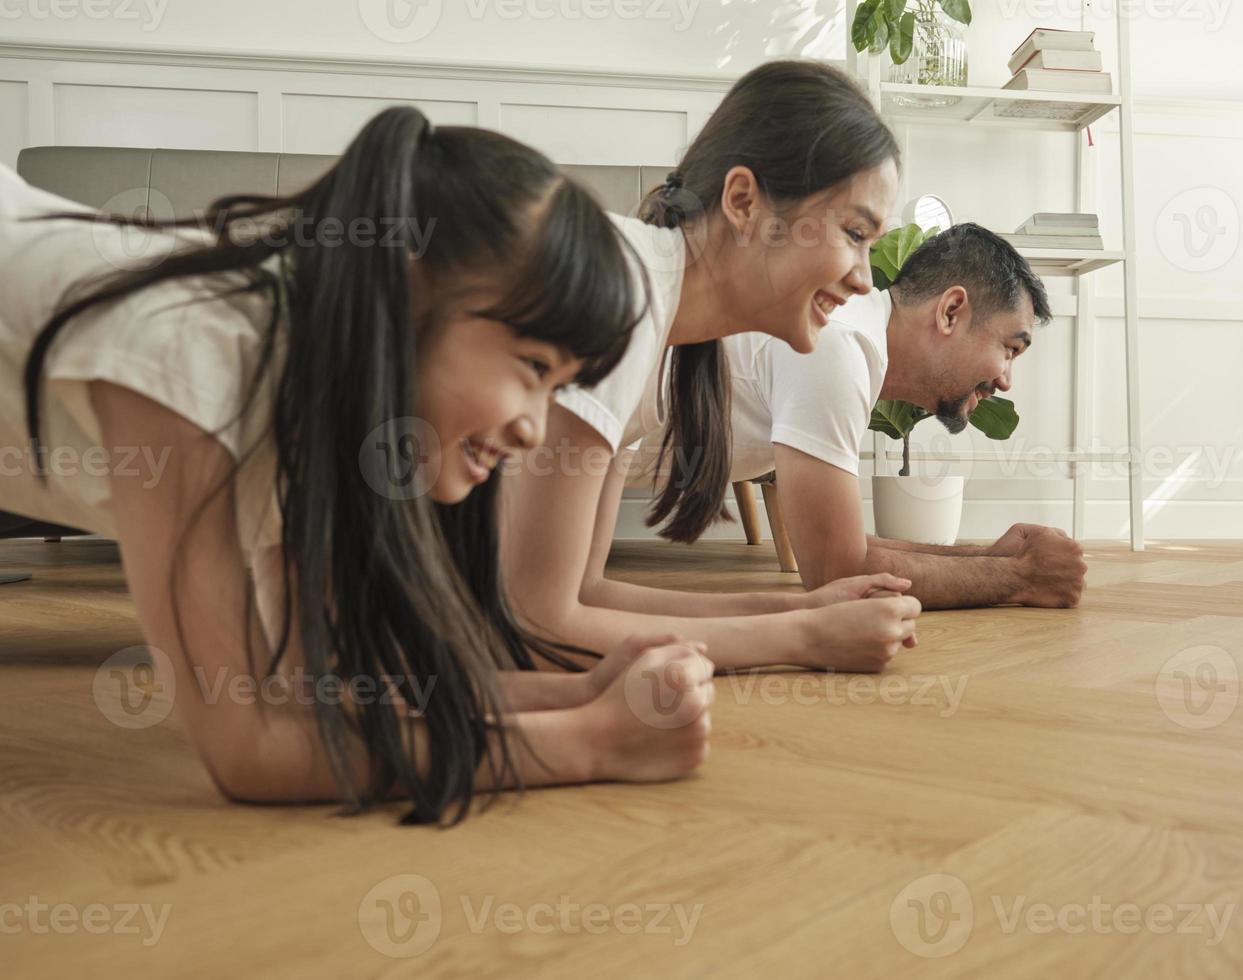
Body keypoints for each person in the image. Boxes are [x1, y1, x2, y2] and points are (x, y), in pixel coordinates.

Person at [0, 107, 715, 826]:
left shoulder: (313, 394)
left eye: (557, 385)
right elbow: (246, 746)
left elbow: (319, 688)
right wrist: (594, 742)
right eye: (531, 366)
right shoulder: (194, 354)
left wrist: (588, 691)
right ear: (407, 287)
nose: (534, 430)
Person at [500, 59, 924, 675]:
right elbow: (540, 624)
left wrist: (804, 610)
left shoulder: (651, 323)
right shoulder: (623, 291)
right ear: (744, 201)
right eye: (854, 233)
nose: (863, 279)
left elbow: (584, 594)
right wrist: (806, 639)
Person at [636, 222, 1089, 611]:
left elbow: (838, 544)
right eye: (1009, 349)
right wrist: (1022, 579)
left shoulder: (851, 337)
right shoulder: (839, 342)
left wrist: (992, 558)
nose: (1006, 380)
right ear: (951, 311)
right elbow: (835, 570)